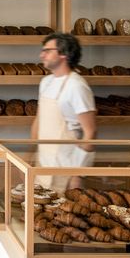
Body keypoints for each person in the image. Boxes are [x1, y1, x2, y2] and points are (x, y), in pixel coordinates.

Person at [31, 33, 97, 189]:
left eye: (47, 50)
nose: (42, 55)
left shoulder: (77, 86)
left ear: (64, 54)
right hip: (42, 166)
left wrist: (78, 174)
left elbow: (91, 132)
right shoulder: (46, 82)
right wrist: (30, 155)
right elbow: (38, 121)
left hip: (66, 170)